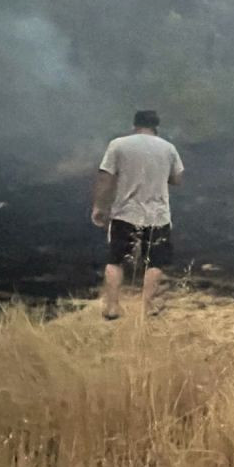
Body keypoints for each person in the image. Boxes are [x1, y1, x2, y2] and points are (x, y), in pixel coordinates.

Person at [91, 110, 183, 320]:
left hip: (125, 213)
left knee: (115, 259)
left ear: (134, 125)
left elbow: (105, 177)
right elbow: (177, 179)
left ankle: (112, 307)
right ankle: (146, 307)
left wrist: (99, 206)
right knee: (155, 261)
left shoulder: (118, 145)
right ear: (156, 126)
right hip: (158, 215)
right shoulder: (168, 148)